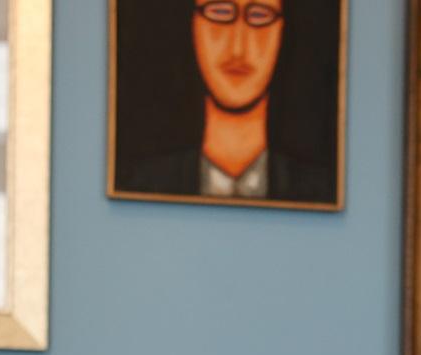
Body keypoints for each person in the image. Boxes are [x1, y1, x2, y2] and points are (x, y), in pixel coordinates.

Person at [115, 0, 329, 204]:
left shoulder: (320, 190)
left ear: (282, 30)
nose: (238, 47)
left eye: (259, 15)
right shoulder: (141, 183)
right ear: (193, 24)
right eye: (220, 12)